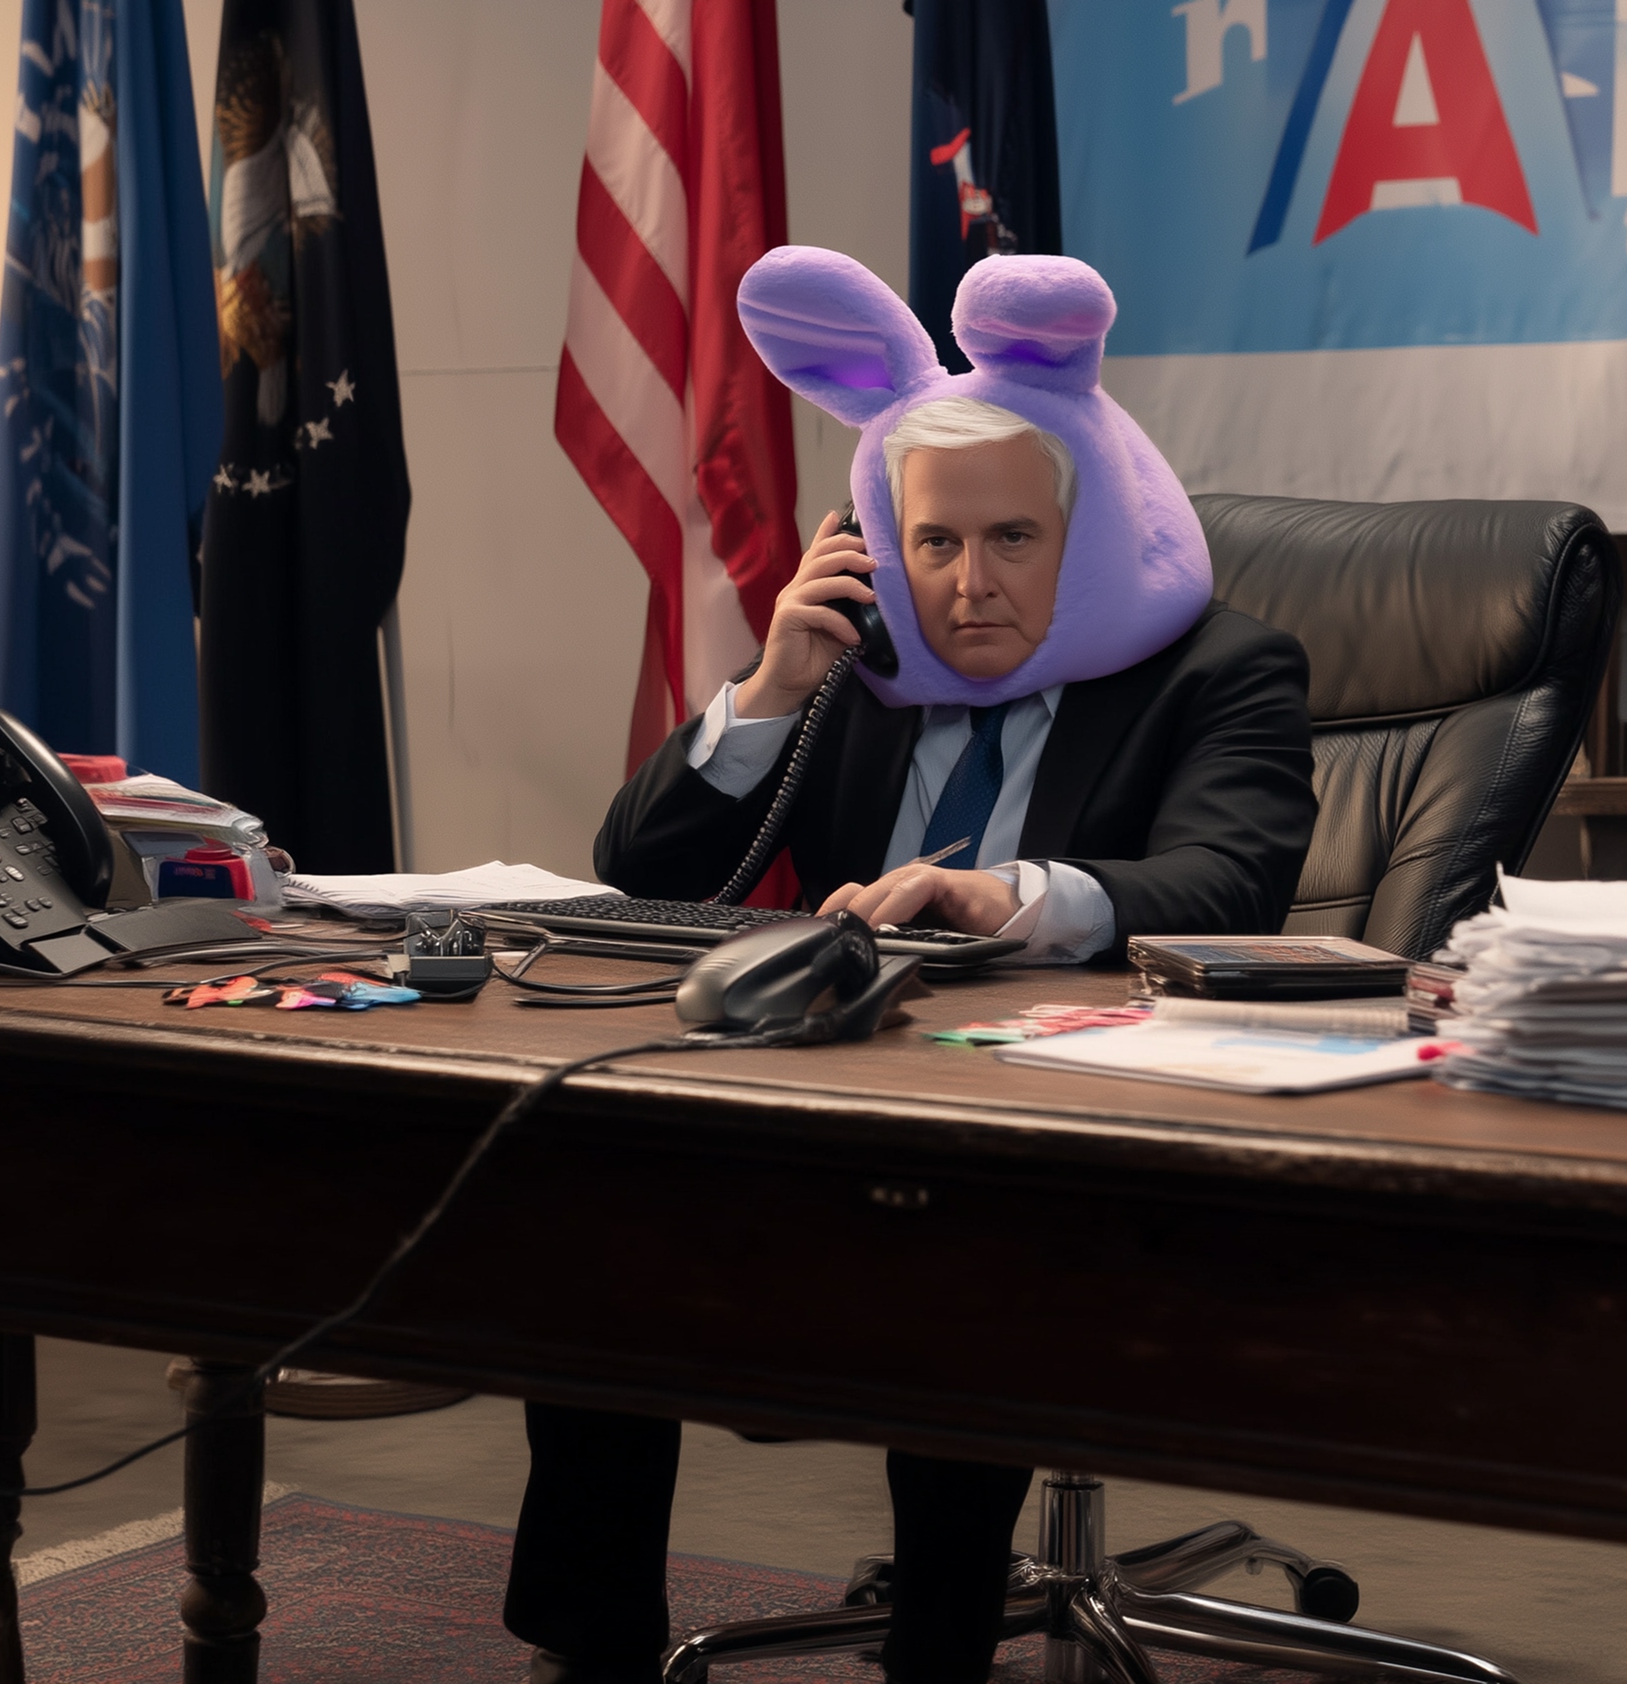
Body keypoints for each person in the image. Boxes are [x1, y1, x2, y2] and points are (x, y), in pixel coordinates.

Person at [502, 249, 1316, 1684]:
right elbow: (642, 868)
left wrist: (1003, 897)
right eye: (934, 542)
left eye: (1013, 539)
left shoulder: (1220, 670)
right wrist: (772, 686)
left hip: (1064, 1122)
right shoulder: (859, 674)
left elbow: (1230, 883)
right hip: (829, 1094)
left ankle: (940, 1652)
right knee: (589, 1208)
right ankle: (594, 1649)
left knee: (959, 1239)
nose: (969, 585)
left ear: (1085, 530)